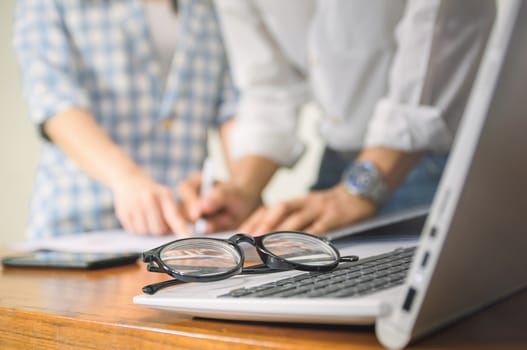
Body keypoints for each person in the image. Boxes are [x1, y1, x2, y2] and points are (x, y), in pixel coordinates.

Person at [177, 0, 496, 235]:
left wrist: (359, 190)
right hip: (338, 169)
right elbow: (268, 88)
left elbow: (443, 29)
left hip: (439, 163)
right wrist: (241, 190)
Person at [14, 0, 236, 239]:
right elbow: (55, 101)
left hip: (182, 228)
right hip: (78, 224)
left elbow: (233, 109)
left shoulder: (212, 7)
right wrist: (126, 177)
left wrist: (237, 191)